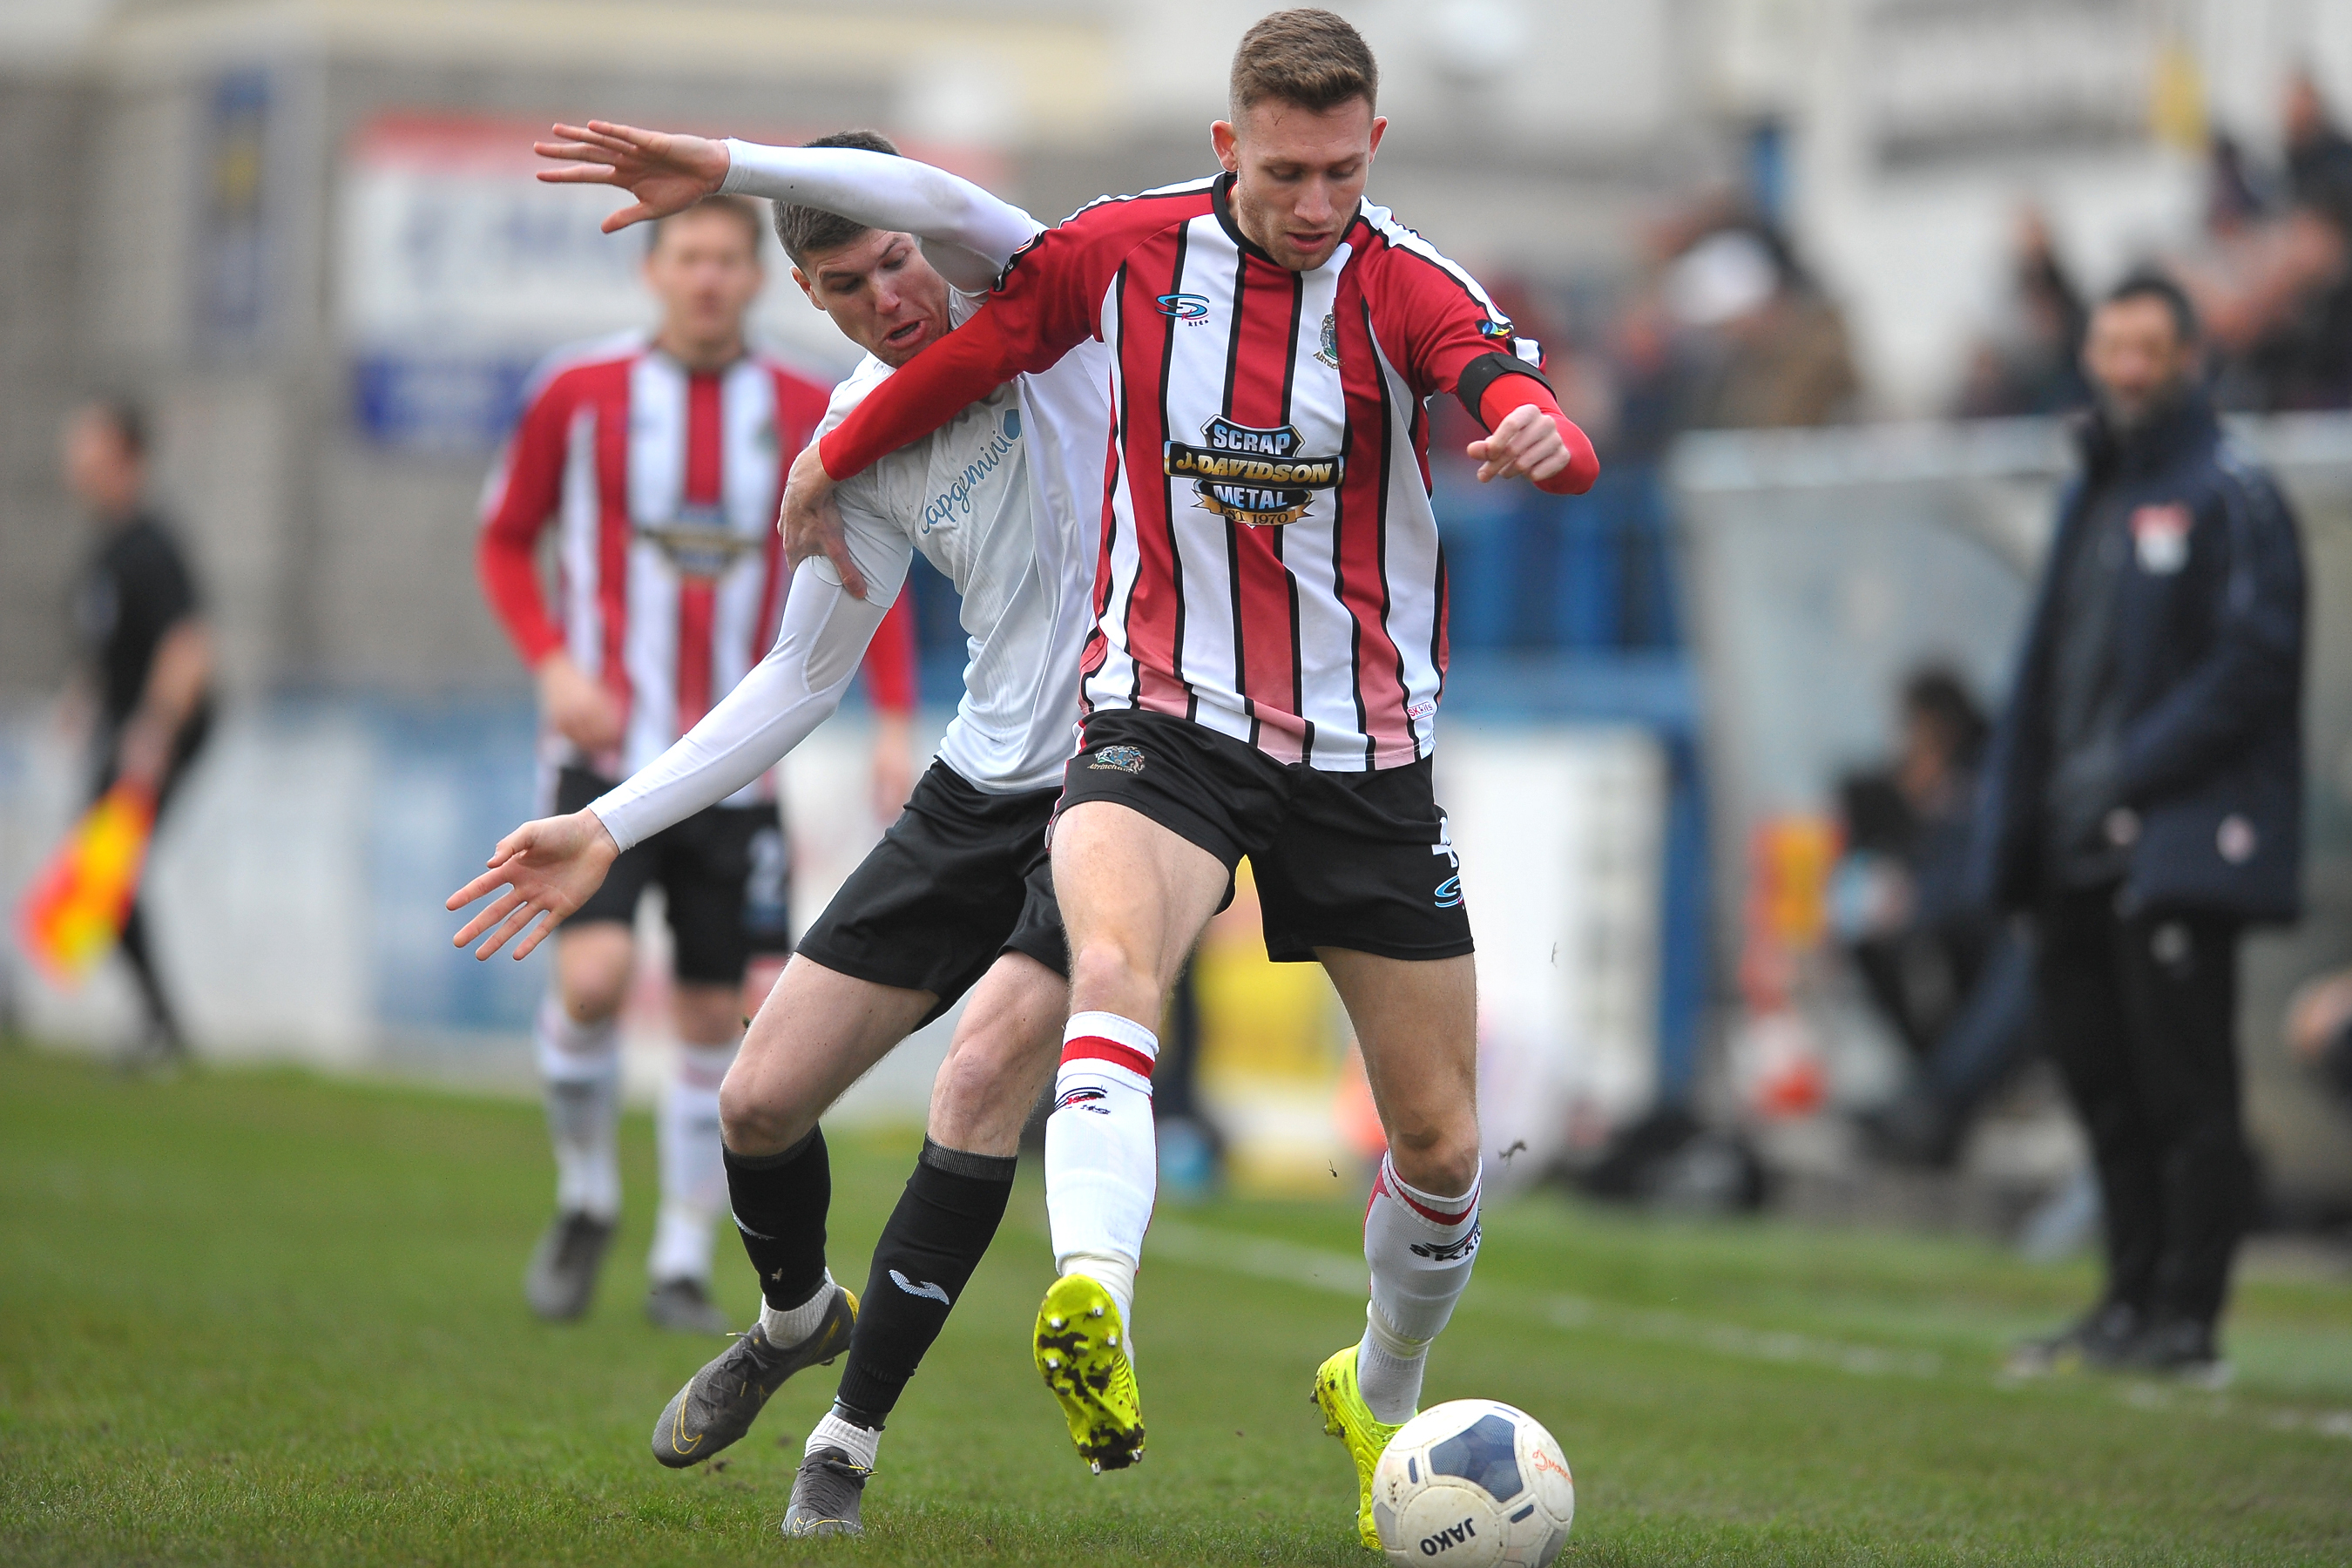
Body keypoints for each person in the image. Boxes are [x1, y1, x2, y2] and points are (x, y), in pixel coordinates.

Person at [781, 10, 1598, 1544]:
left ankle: (1386, 1379)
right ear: (1229, 146)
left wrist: (1540, 430)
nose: (1314, 204)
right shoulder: (1123, 252)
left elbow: (1489, 378)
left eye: (1342, 172)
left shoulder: (1410, 282)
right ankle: (1095, 1292)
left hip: (1365, 752)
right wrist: (840, 451)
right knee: (1113, 961)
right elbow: (984, 346)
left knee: (1437, 1142)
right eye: (1285, 172)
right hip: (1166, 713)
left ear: (1374, 149)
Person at [453, 124, 1100, 1535]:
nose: (894, 292)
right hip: (984, 781)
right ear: (812, 301)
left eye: (895, 260)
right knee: (756, 1099)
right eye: (856, 285)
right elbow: (802, 675)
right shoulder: (847, 447)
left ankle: (845, 1444)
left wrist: (725, 163)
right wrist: (610, 827)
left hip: (1134, 775)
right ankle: (796, 1312)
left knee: (982, 1075)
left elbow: (927, 194)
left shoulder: (1020, 288)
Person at [474, 193, 919, 1335]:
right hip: (607, 758)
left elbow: (878, 555)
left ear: (757, 277)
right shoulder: (578, 395)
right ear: (656, 271)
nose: (711, 278)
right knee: (593, 981)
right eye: (692, 259)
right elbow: (505, 536)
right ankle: (583, 1197)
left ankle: (678, 1255)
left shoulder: (806, 406)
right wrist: (553, 664)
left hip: (740, 773)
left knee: (720, 1020)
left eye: (730, 258)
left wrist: (891, 719)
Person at [1977, 272, 2305, 1382]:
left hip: (2169, 844)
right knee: (2105, 1089)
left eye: (2148, 347)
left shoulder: (2233, 493)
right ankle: (2127, 1305)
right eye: (2110, 345)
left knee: (2186, 1091)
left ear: (2189, 358)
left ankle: (2188, 1322)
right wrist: (2016, 828)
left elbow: (2255, 665)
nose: (2127, 366)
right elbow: (2046, 680)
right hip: (2071, 846)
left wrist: (2131, 771)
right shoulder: (2094, 491)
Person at [58, 400, 214, 1063]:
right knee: (97, 875)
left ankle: (161, 1028)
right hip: (127, 726)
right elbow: (118, 646)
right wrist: (86, 696)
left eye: (88, 444)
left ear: (122, 455)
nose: (74, 458)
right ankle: (159, 1024)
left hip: (162, 730)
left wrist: (154, 732)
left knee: (103, 871)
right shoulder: (109, 544)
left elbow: (187, 647)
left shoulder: (153, 545)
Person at [1837, 668, 2034, 1167]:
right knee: (1868, 938)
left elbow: (1977, 884)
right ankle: (1927, 1103)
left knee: (2026, 962)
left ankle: (1935, 1103)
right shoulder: (1924, 792)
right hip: (1964, 945)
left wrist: (1919, 900)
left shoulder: (1991, 779)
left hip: (2010, 938)